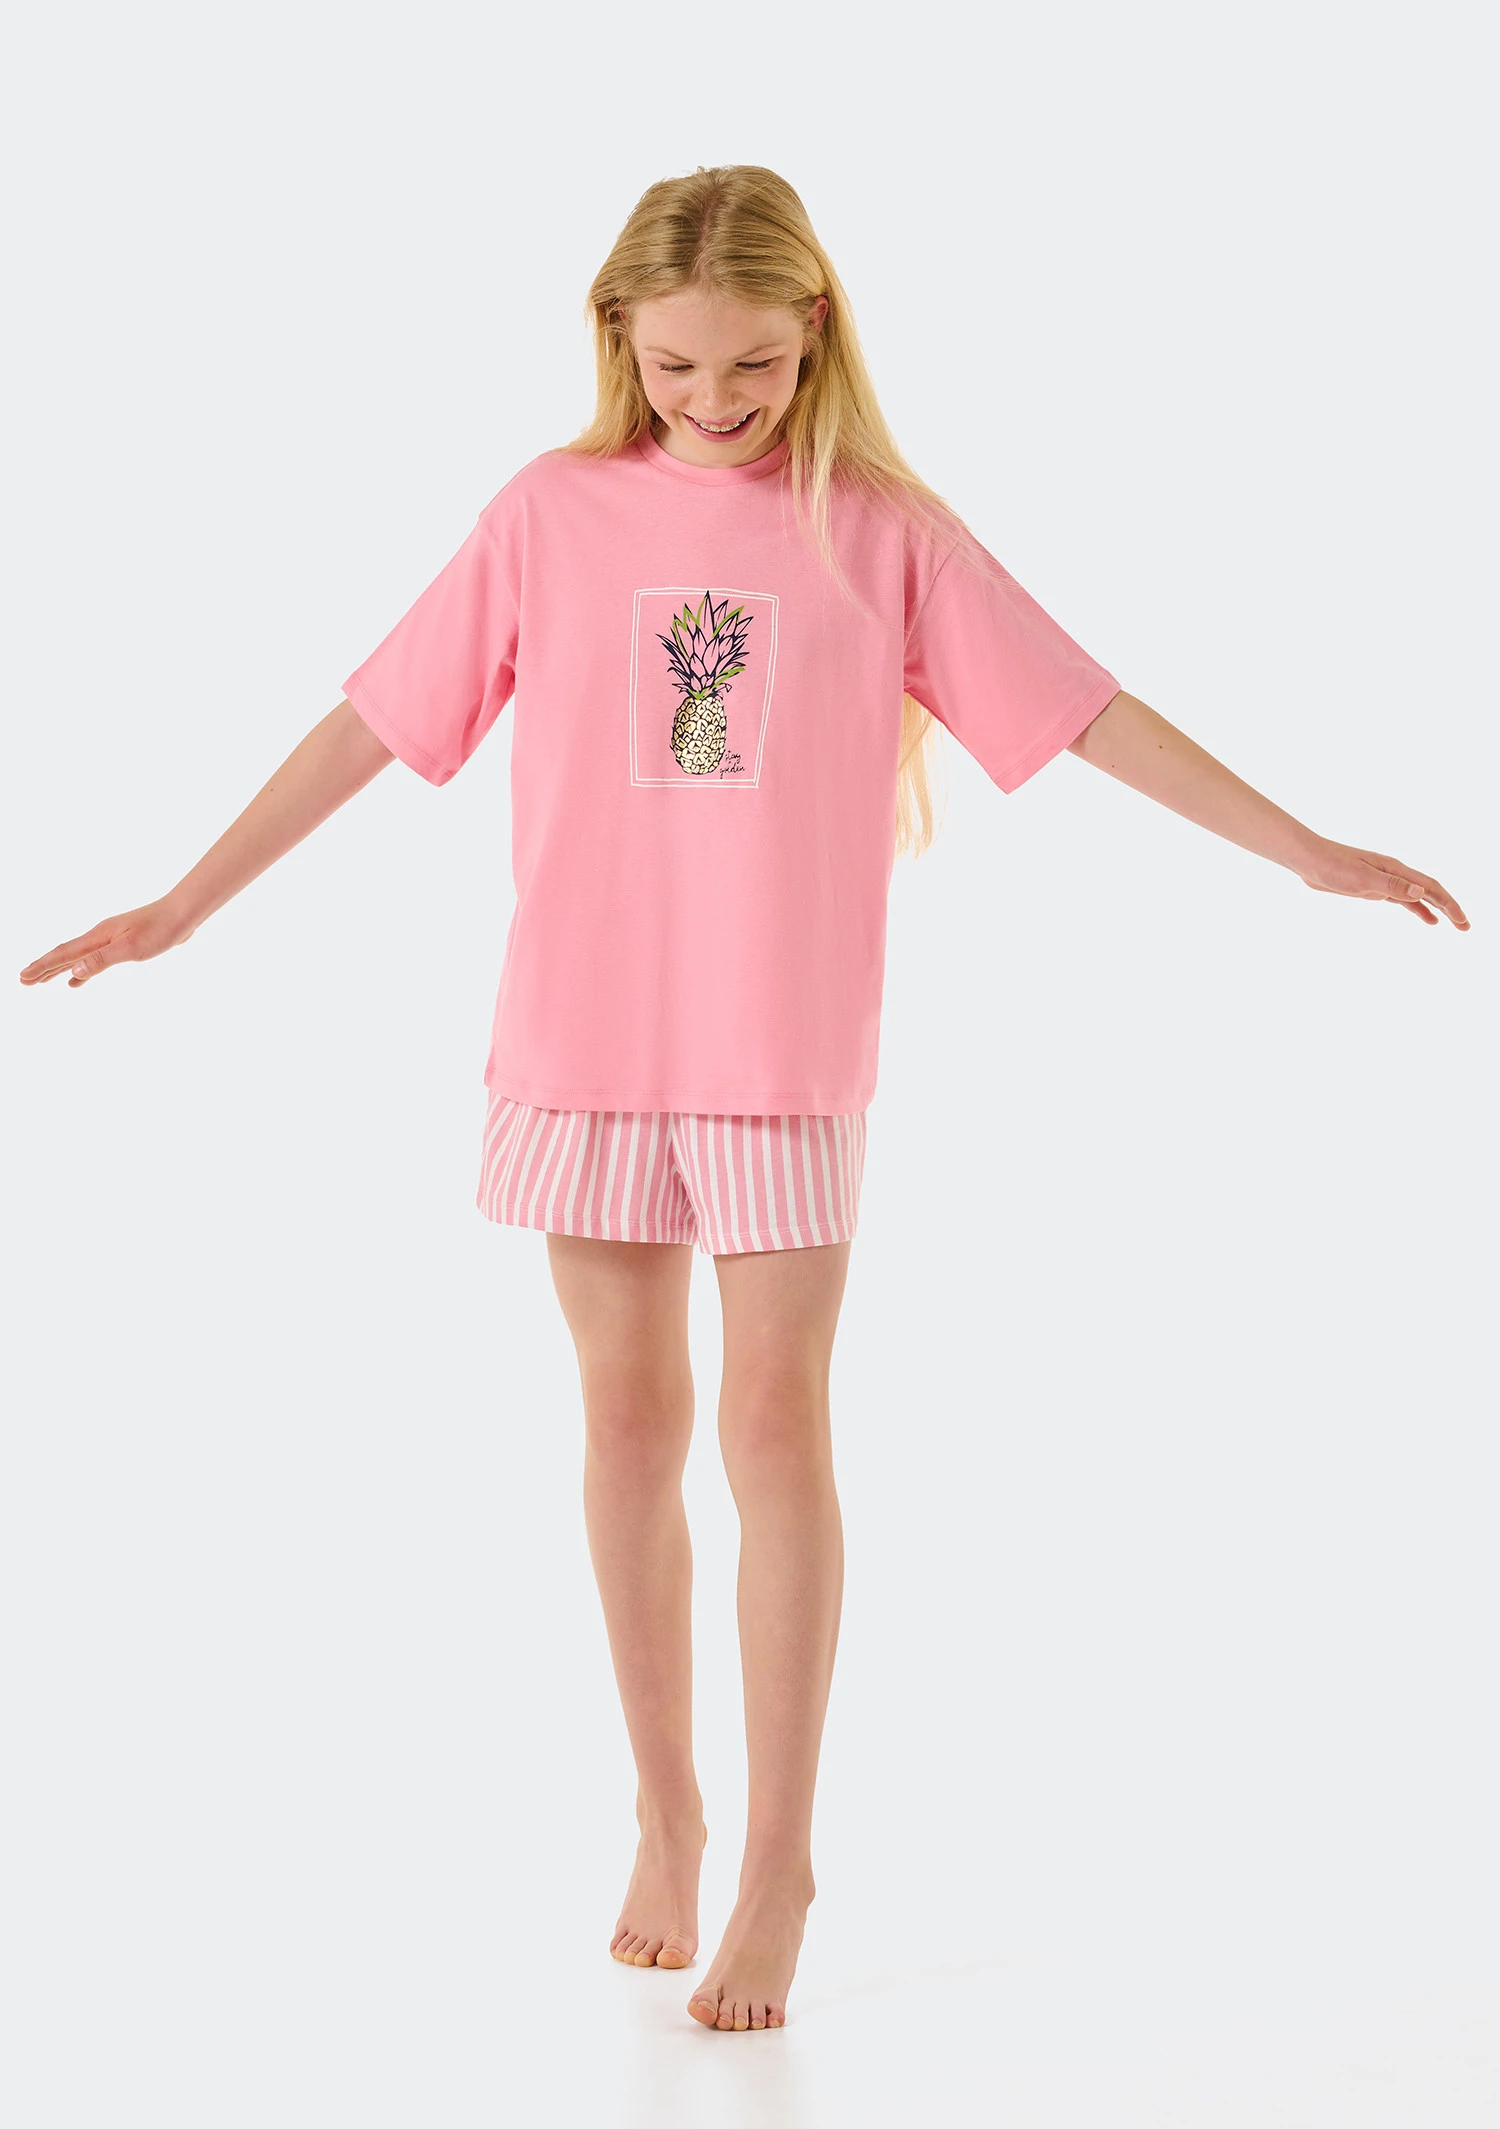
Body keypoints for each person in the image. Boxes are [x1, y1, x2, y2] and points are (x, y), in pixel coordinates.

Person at [19, 164, 1469, 2035]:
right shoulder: (547, 514)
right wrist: (183, 902)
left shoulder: (881, 532)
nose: (717, 400)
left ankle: (782, 1853)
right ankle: (669, 1808)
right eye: (682, 364)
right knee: (626, 1420)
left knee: (778, 1421)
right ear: (620, 338)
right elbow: (377, 719)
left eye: (757, 368)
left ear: (817, 338)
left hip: (779, 1048)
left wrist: (1304, 847)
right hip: (583, 1037)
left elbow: (1086, 709)